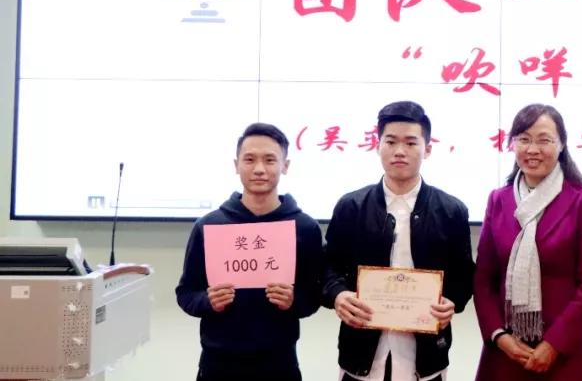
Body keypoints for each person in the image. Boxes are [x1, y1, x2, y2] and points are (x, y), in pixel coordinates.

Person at [323, 100, 474, 381]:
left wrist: (451, 302)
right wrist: (338, 295)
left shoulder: (452, 210)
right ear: (377, 145)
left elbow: (464, 277)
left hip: (426, 355)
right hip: (361, 354)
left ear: (427, 149)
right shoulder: (351, 206)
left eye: (411, 143)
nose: (400, 151)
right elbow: (328, 267)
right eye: (391, 142)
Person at [176, 122, 325, 381]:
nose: (259, 169)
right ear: (236, 165)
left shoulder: (304, 227)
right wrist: (208, 301)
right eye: (249, 159)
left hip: (279, 364)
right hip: (218, 364)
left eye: (270, 160)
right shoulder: (209, 226)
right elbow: (186, 293)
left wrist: (294, 300)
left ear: (285, 166)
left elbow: (314, 297)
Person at [473, 103, 582, 380]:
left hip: (565, 352)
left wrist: (555, 344)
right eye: (523, 139)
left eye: (544, 140)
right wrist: (499, 336)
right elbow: (484, 278)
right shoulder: (499, 200)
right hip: (507, 352)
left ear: (562, 145)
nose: (532, 149)